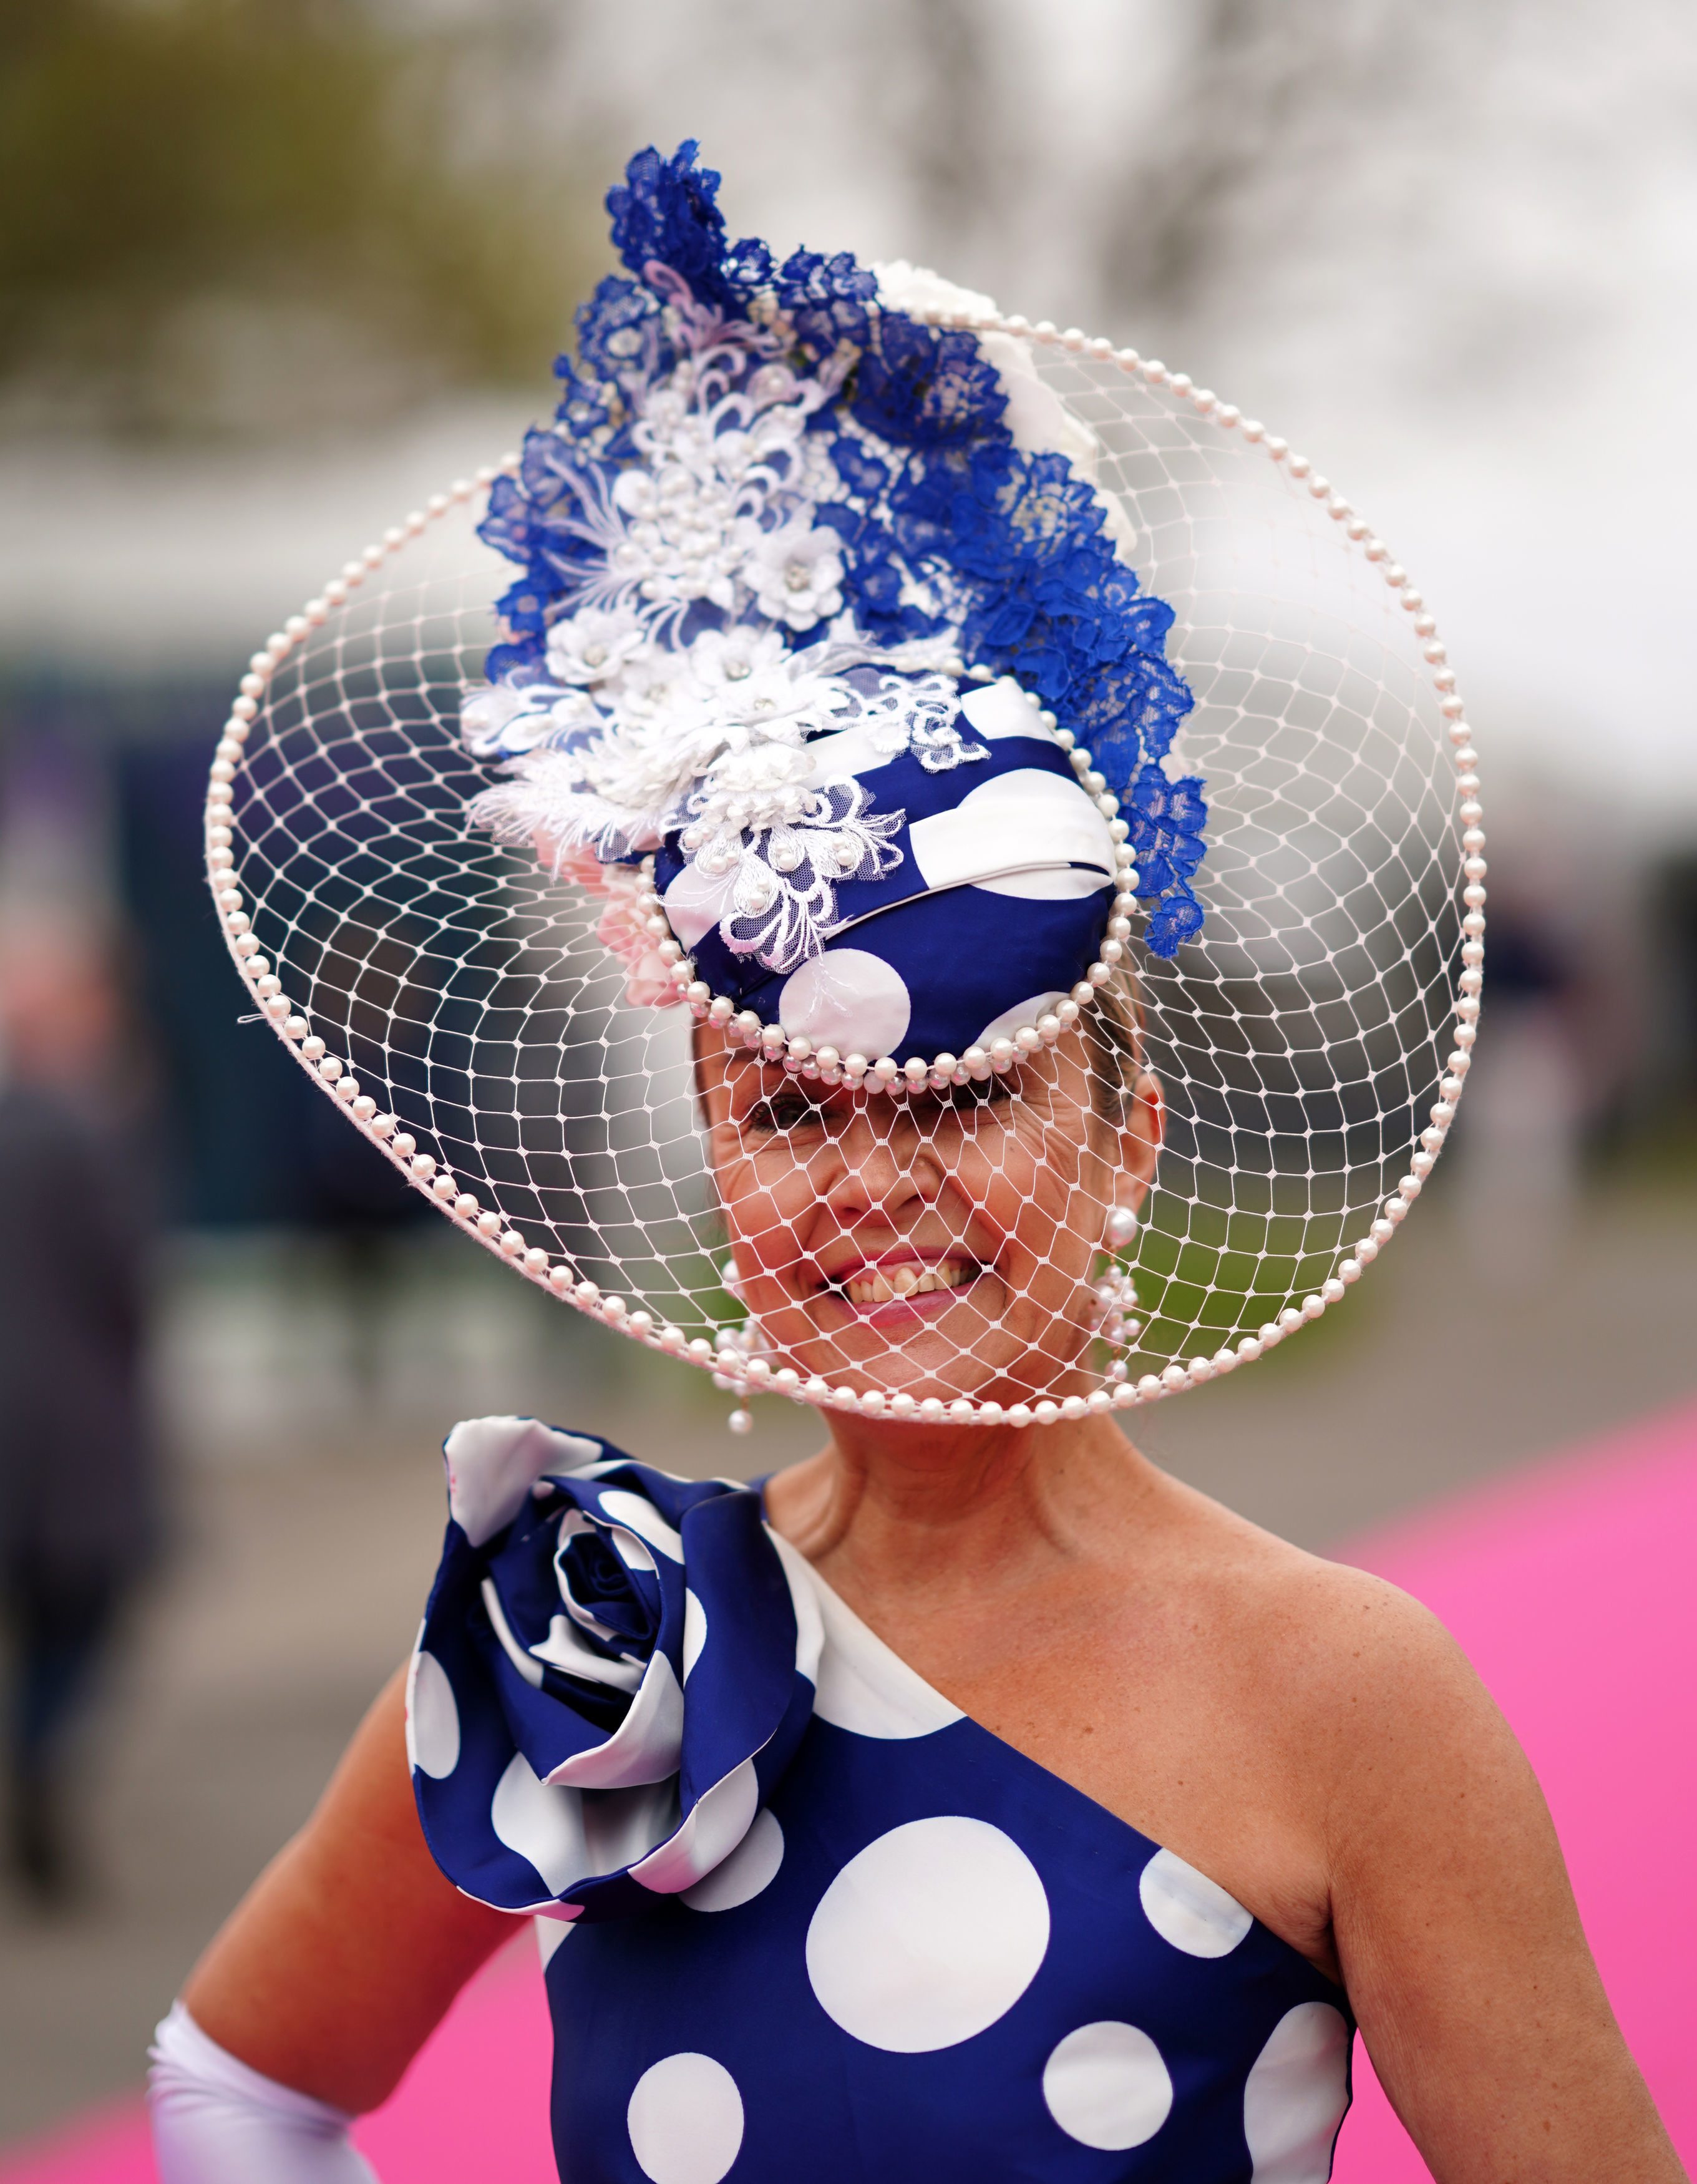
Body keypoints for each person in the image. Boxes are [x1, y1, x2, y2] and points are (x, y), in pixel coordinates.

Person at [149, 145, 1686, 2180]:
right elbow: (240, 2083)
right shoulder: (596, 1628)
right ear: (713, 1152)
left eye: (962, 1092)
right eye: (790, 1111)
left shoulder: (1346, 1697)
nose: (872, 1181)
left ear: (1123, 1123)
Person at [0, 920, 158, 1905]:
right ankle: (38, 1760)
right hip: (72, 1436)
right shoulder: (84, 1131)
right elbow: (128, 1279)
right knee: (79, 1622)